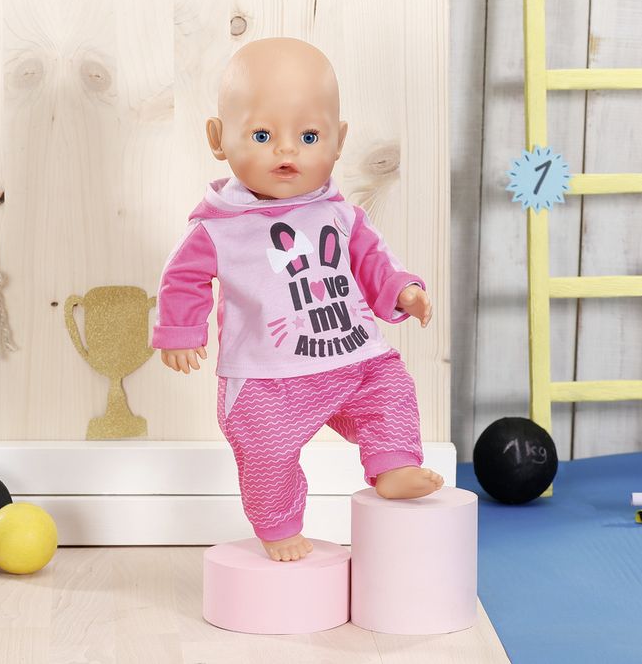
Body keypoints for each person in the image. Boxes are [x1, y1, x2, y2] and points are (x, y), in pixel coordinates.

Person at [151, 37, 442, 562]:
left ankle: (394, 464)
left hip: (353, 357)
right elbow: (182, 278)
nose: (287, 152)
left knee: (392, 391)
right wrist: (180, 331)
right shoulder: (218, 227)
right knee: (265, 453)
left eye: (309, 136)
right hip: (267, 378)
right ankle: (278, 524)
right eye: (262, 135)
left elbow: (374, 262)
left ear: (338, 140)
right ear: (218, 138)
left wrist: (404, 290)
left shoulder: (341, 214)